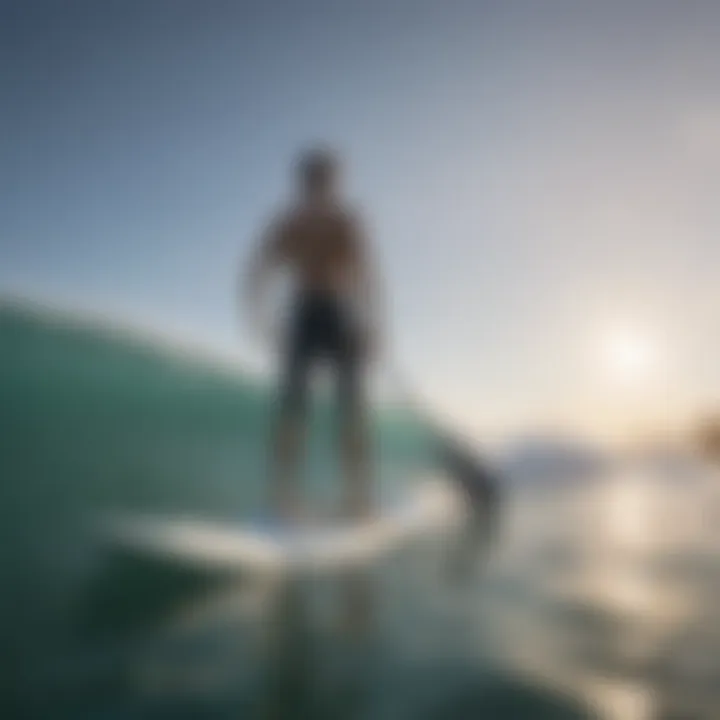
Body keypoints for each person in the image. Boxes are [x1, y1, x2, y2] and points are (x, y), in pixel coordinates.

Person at [243, 147, 381, 522]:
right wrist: (259, 318)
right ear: (302, 183)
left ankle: (358, 499)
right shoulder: (289, 225)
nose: (319, 187)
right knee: (293, 409)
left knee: (350, 409)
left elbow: (367, 276)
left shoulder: (347, 223)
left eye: (325, 180)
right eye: (312, 180)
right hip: (304, 314)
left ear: (334, 183)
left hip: (339, 314)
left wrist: (372, 326)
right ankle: (283, 499)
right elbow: (258, 268)